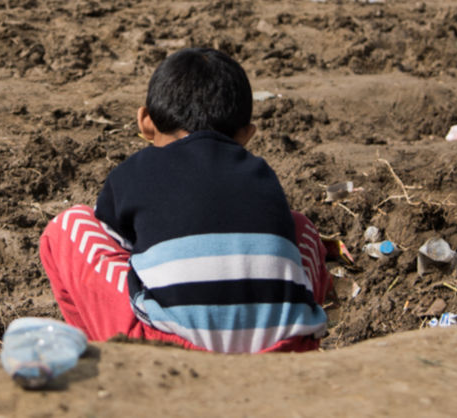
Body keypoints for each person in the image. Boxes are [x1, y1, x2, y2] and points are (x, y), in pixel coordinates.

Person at [39, 47, 332, 354]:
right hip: (284, 348)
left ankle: (108, 360)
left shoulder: (137, 171)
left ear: (145, 123)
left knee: (67, 228)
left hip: (166, 349)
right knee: (302, 227)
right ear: (247, 134)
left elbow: (117, 246)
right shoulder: (261, 173)